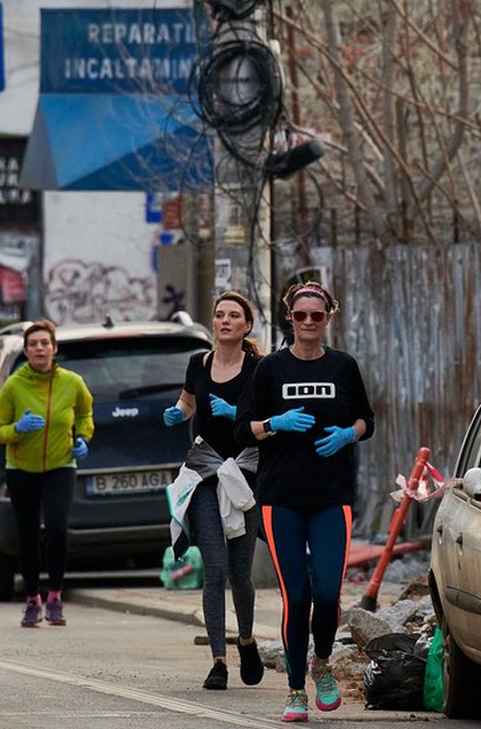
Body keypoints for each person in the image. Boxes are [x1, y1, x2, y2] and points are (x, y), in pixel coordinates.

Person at [234, 281, 375, 722]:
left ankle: (323, 663)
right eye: (301, 316)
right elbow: (243, 429)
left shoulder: (343, 366)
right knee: (297, 596)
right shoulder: (270, 369)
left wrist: (348, 434)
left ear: (328, 317)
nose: (309, 322)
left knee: (329, 592)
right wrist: (275, 422)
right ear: (289, 319)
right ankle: (296, 689)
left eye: (317, 315)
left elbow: (366, 420)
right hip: (281, 497)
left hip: (332, 495)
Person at [162, 291, 266, 691]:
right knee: (215, 567)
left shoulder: (259, 368)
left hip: (243, 472)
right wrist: (179, 413)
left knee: (240, 573)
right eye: (219, 314)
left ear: (245, 325)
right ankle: (219, 662)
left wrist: (238, 414)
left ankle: (247, 639)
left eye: (233, 316)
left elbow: (267, 416)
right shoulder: (198, 362)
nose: (225, 321)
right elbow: (188, 401)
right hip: (204, 469)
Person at [0, 319, 93, 628]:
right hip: (22, 469)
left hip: (61, 465)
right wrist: (17, 430)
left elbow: (85, 413)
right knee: (28, 533)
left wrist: (83, 439)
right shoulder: (13, 385)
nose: (39, 349)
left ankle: (56, 597)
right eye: (33, 344)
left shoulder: (72, 382)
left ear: (54, 348)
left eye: (44, 343)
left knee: (59, 528)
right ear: (25, 351)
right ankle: (32, 599)